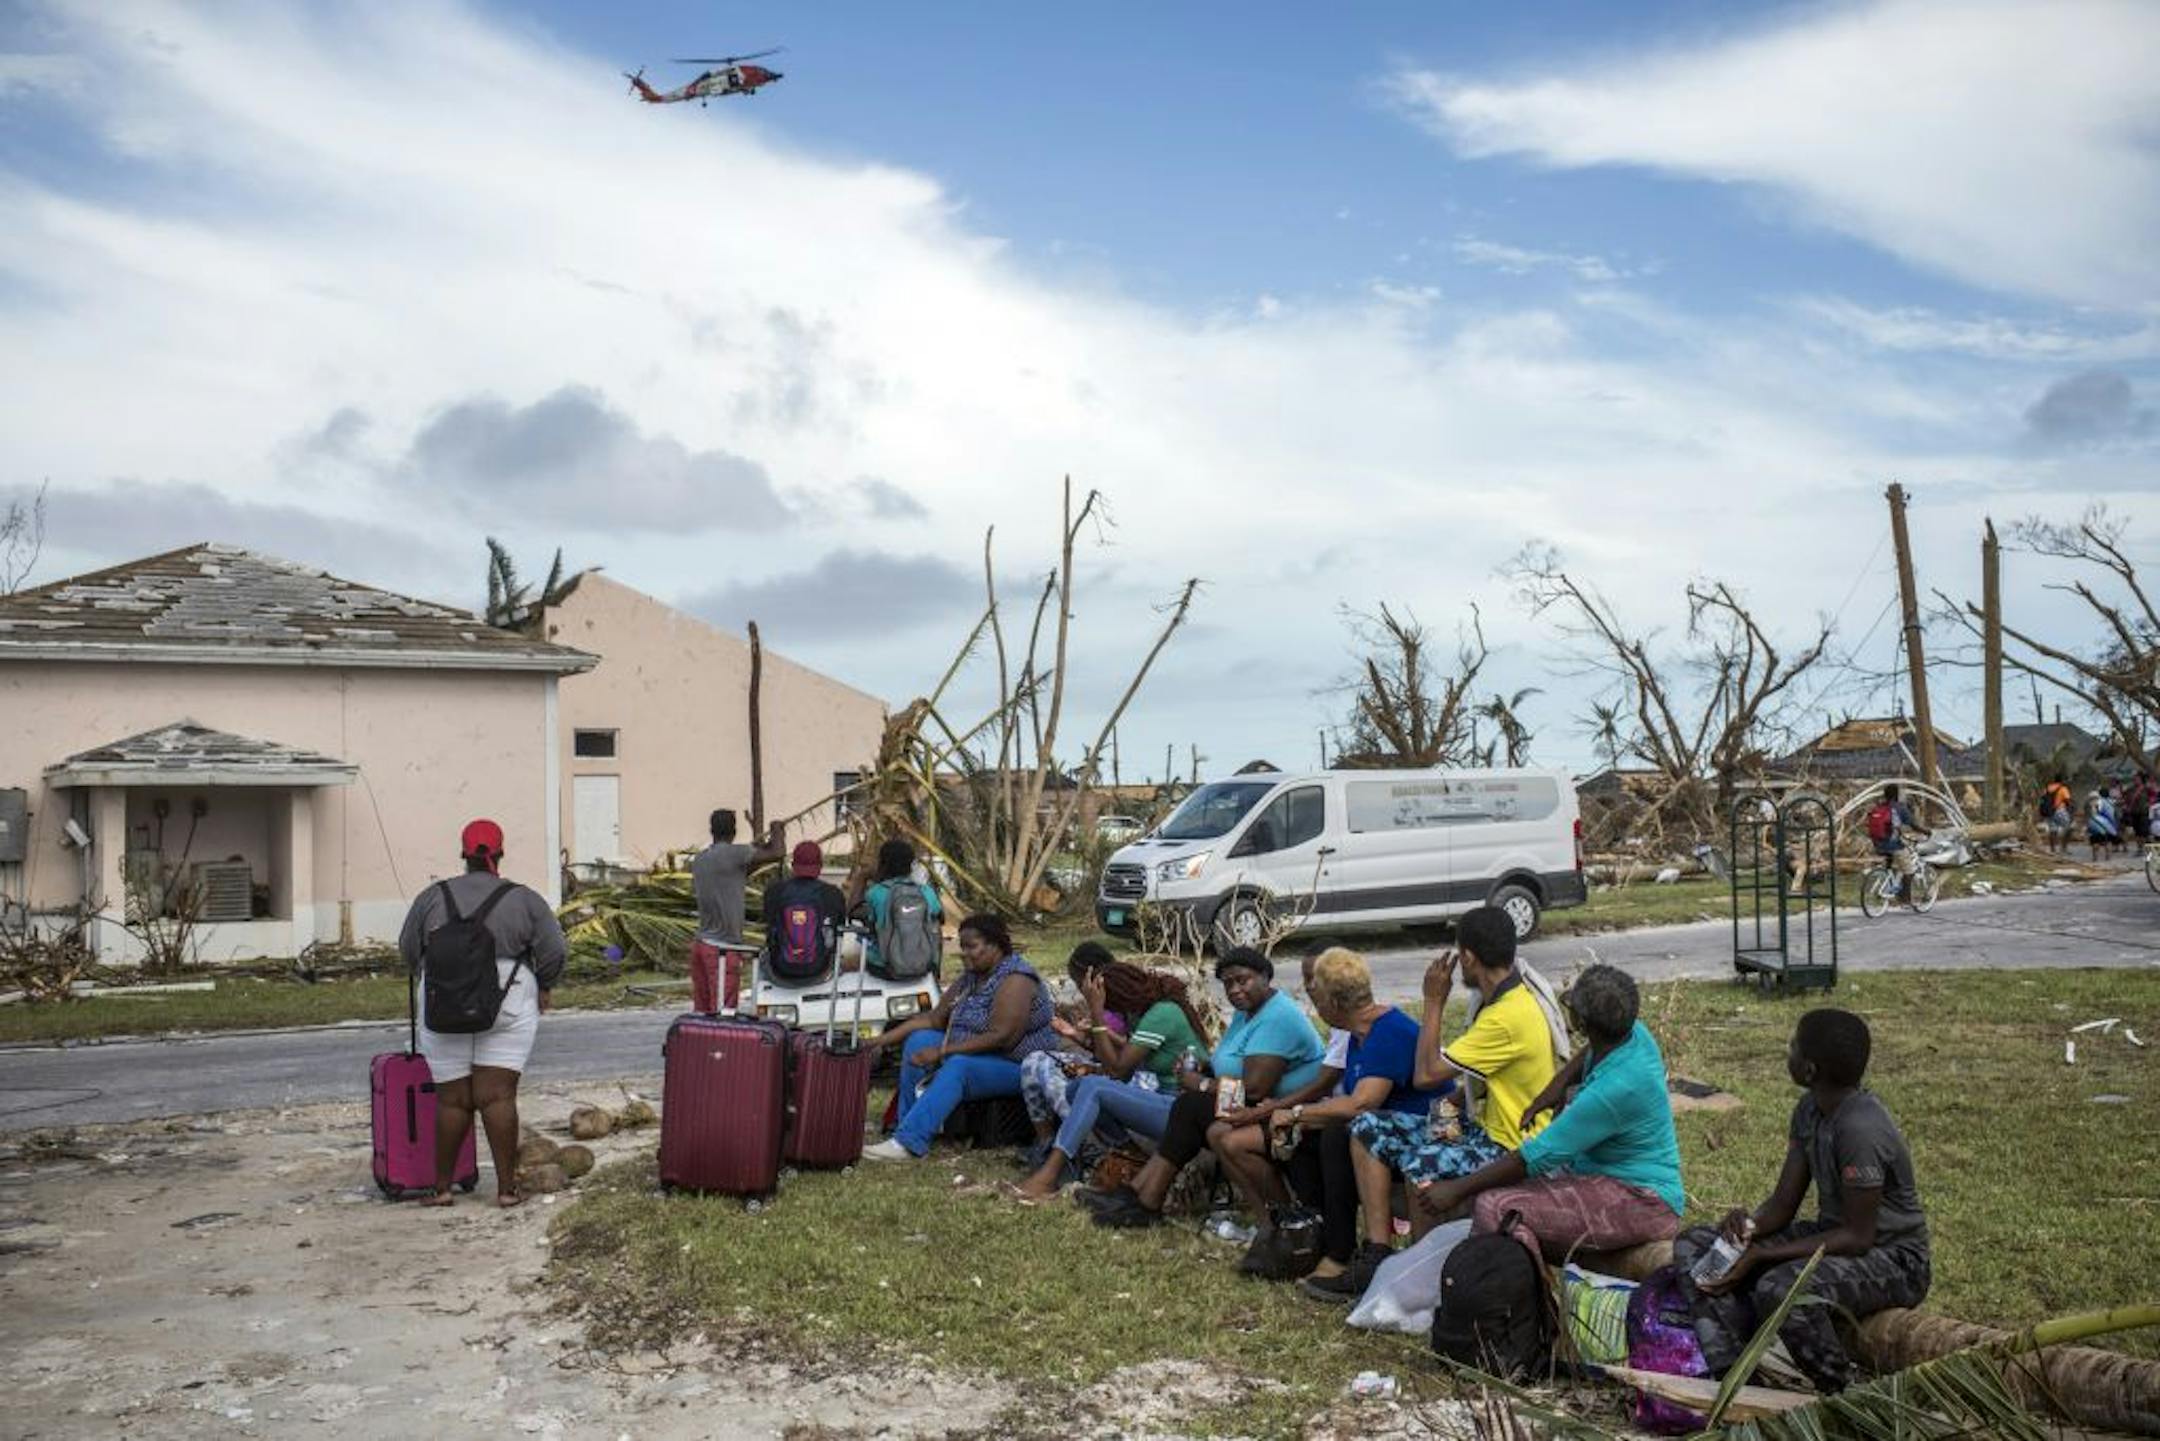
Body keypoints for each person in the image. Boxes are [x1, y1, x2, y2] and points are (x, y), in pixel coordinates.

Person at [1678, 1008, 1930, 1394]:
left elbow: (1859, 1236)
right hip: (1834, 1237)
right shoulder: (1810, 1110)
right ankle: (1730, 1369)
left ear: (1810, 1069)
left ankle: (1844, 1394)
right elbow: (1783, 1204)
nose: (1787, 1049)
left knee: (1783, 1290)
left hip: (1893, 1258)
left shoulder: (1860, 1128)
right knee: (1697, 1244)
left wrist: (1761, 1257)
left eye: (1793, 1045)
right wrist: (1748, 1228)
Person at [1214, 948, 1448, 1300]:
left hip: (1425, 1140)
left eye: (1315, 994)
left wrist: (1295, 1113)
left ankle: (1349, 1254)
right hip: (1386, 1138)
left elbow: (1362, 1102)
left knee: (1336, 1130)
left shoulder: (1388, 1031)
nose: (1314, 1006)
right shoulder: (1359, 1034)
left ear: (1333, 1001)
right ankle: (1317, 1236)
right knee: (1312, 1137)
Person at [1413, 964, 1683, 1262]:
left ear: (1581, 1023)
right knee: (1504, 1201)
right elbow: (1587, 1053)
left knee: (1495, 1207)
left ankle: (1526, 1303)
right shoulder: (1633, 1035)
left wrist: (1455, 1189)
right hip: (1607, 1178)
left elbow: (1531, 1158)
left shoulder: (1612, 1091)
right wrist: (1555, 1088)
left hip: (1642, 1201)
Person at [1349, 906, 1562, 1258]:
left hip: (1507, 1146)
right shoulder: (1502, 1000)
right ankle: (1378, 1250)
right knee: (1367, 1126)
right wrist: (1451, 1106)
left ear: (1468, 957)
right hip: (1483, 1130)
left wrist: (1433, 1001)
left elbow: (1426, 1074)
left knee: (1421, 1162)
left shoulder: (1507, 1016)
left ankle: (1422, 1270)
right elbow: (1493, 1079)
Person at [1085, 948, 1327, 1230]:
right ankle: (1140, 1196)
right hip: (1255, 1107)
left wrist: (1200, 1083)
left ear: (1265, 976)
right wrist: (1204, 1069)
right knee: (1189, 1108)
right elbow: (1230, 1064)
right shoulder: (1247, 1012)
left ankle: (1144, 1199)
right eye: (1228, 984)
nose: (1235, 990)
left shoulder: (1278, 1016)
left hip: (1287, 1112)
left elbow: (1256, 1089)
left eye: (1242, 980)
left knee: (1195, 1109)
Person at [396, 819, 567, 1209]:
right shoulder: (525, 899)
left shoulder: (432, 895)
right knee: (497, 1095)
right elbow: (554, 950)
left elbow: (408, 949)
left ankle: (441, 1188)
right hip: (509, 995)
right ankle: (506, 1190)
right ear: (500, 853)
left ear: (463, 853)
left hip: (443, 997)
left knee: (452, 1100)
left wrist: (437, 977)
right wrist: (544, 984)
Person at [1008, 951, 1210, 1201]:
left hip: (1185, 1110)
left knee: (1092, 1087)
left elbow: (1116, 1070)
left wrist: (1096, 1013)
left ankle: (1049, 1175)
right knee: (1076, 1089)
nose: (1111, 1012)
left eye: (1110, 1005)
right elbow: (1119, 1076)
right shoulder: (1144, 1015)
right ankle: (1130, 1154)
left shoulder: (1162, 1014)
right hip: (1169, 1103)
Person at [862, 914, 1059, 1160]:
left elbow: (1003, 1037)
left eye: (972, 947)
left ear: (996, 945)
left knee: (960, 1066)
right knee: (920, 1040)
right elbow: (934, 1019)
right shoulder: (972, 977)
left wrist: (943, 1051)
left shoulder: (1016, 979)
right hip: (983, 1055)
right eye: (962, 946)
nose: (964, 953)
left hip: (1017, 1065)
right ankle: (906, 1125)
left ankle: (909, 1143)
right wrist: (877, 1041)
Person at [689, 809, 785, 1012]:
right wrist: (777, 830)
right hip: (722, 950)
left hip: (701, 945)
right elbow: (778, 853)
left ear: (711, 830)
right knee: (724, 1014)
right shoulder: (734, 854)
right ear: (733, 831)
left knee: (704, 1013)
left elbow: (748, 867)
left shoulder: (701, 860)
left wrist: (762, 846)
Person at [848, 838, 944, 979]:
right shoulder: (926, 891)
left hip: (884, 969)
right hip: (923, 966)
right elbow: (938, 921)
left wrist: (862, 877)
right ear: (911, 864)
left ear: (882, 863)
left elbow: (852, 912)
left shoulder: (876, 892)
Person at [762, 840, 848, 981]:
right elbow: (839, 928)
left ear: (793, 865)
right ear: (820, 866)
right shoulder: (833, 894)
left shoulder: (774, 892)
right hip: (821, 969)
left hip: (780, 970)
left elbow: (768, 925)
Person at [1866, 784, 1924, 899]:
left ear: (1885, 795)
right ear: (1897, 795)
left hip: (1877, 844)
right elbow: (1913, 825)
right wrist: (1927, 832)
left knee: (1893, 860)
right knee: (1909, 870)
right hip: (1893, 845)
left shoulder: (1879, 807)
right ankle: (1905, 898)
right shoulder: (1899, 808)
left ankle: (1889, 880)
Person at [2041, 774, 2074, 855]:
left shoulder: (2048, 787)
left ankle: (2053, 850)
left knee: (2053, 830)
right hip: (2059, 810)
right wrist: (2071, 811)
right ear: (2062, 780)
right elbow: (2067, 801)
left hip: (2049, 811)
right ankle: (2064, 848)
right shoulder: (2063, 788)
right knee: (2069, 828)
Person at [2088, 785, 2120, 861]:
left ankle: (2095, 858)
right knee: (2108, 841)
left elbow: (2093, 812)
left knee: (2095, 841)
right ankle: (2108, 858)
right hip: (2109, 825)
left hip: (2097, 823)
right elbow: (2116, 814)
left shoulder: (2097, 801)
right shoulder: (2111, 802)